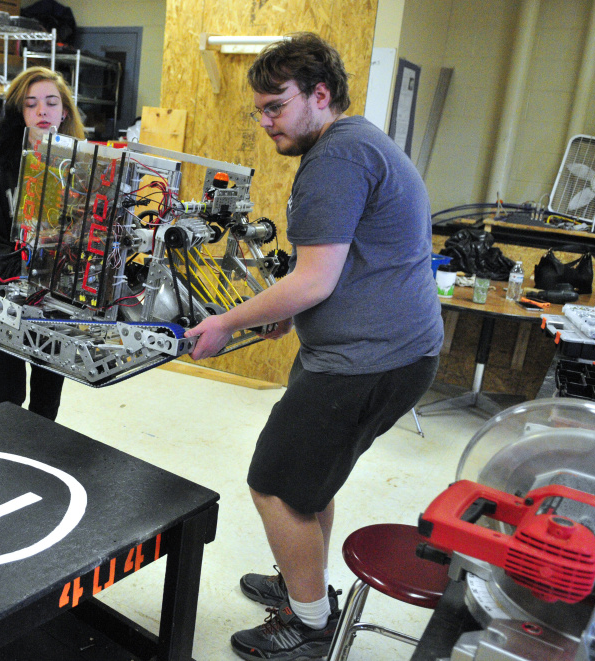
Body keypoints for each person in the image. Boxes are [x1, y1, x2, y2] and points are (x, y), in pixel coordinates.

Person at [185, 33, 443, 661]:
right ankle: (307, 587)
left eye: (276, 106)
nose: (266, 122)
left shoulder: (336, 158)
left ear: (320, 95)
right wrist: (287, 313)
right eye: (260, 111)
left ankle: (308, 625)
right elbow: (337, 266)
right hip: (384, 351)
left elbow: (314, 280)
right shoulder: (358, 141)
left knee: (275, 485)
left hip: (367, 362)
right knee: (309, 484)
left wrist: (226, 322)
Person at [0, 67, 86, 420]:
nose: (42, 111)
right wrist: (23, 274)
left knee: (48, 396)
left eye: (51, 102)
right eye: (31, 104)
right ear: (20, 114)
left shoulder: (80, 167)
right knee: (6, 395)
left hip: (57, 300)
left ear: (64, 112)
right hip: (4, 296)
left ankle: (39, 452)